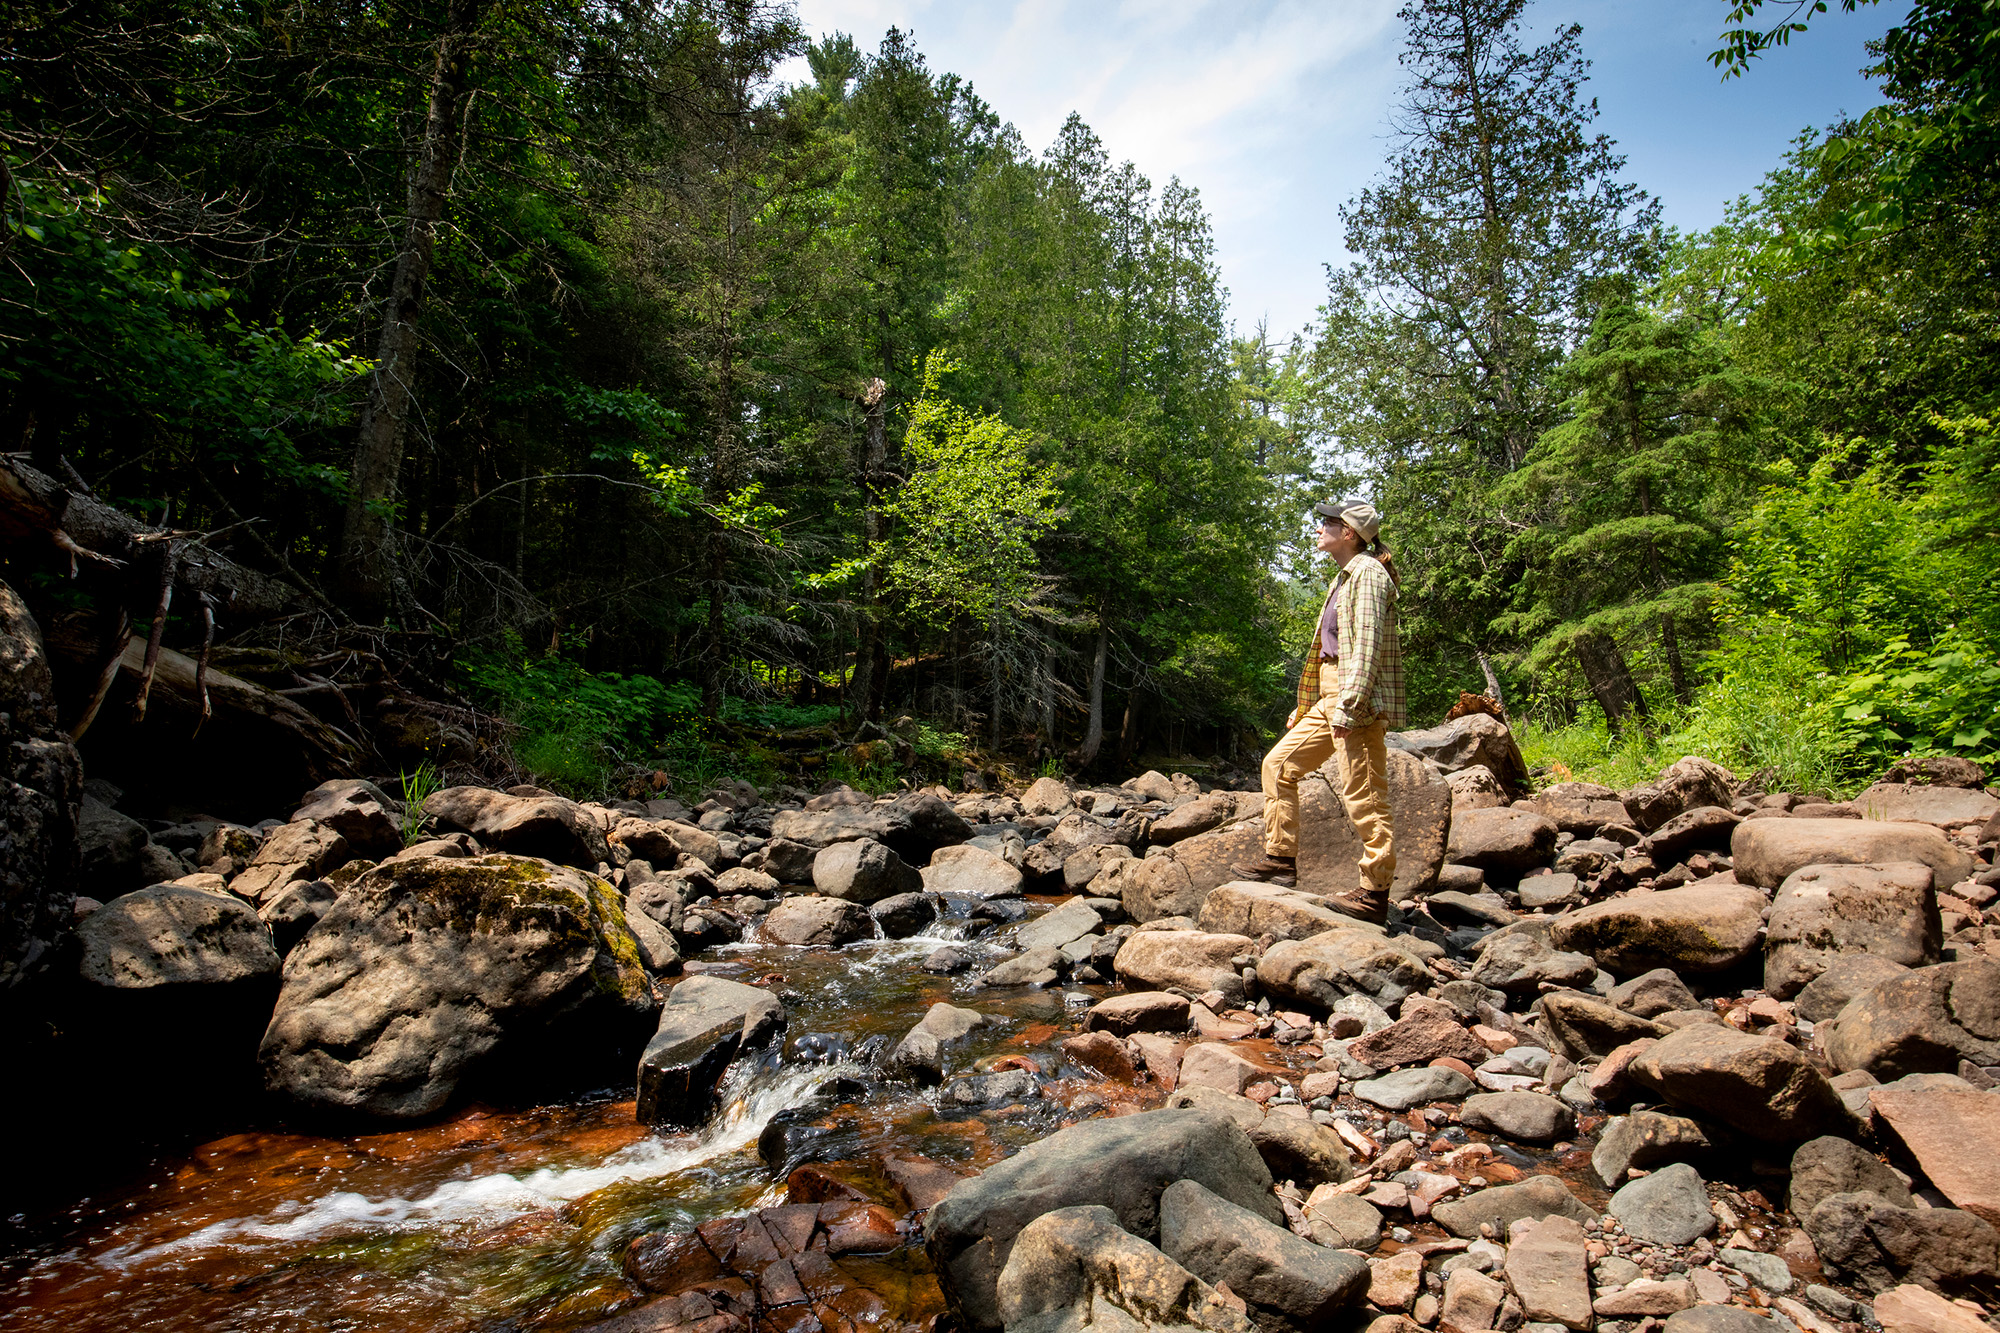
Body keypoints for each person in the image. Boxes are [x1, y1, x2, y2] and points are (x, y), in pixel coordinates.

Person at [1236, 499, 1406, 923]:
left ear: (1349, 533)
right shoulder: (1343, 577)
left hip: (1356, 699)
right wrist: (1308, 704)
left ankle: (1374, 894)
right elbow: (1329, 650)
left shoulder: (1367, 574)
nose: (1319, 528)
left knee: (1364, 795)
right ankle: (1280, 862)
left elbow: (1364, 649)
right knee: (1278, 765)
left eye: (1327, 522)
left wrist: (1349, 707)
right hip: (1331, 695)